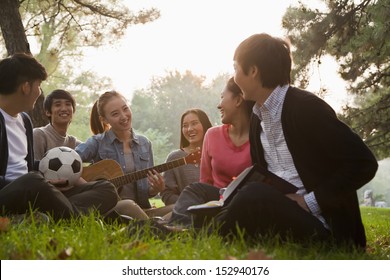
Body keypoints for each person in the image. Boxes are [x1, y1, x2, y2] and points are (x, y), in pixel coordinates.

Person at [214, 33, 378, 248]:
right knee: (205, 191)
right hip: (281, 213)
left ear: (253, 70)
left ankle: (203, 232)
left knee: (254, 194)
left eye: (236, 68)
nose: (234, 77)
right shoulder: (256, 118)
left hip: (325, 227)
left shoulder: (305, 108)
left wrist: (310, 202)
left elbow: (363, 163)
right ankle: (185, 224)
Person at [0, 53, 118, 221]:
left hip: (35, 191)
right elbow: (28, 179)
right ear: (26, 87)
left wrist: (54, 173)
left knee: (106, 189)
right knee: (33, 181)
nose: (39, 92)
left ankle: (48, 214)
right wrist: (38, 183)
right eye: (38, 85)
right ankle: (79, 220)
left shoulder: (24, 120)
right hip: (9, 195)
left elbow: (27, 165)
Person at [168, 77, 255, 226]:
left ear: (238, 100)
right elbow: (205, 182)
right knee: (194, 189)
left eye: (222, 97)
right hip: (217, 200)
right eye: (185, 125)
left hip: (246, 201)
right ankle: (178, 229)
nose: (219, 105)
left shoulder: (260, 136)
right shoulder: (212, 135)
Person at [76, 90, 172, 220]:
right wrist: (85, 185)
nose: (123, 116)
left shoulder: (144, 143)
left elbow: (145, 190)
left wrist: (155, 190)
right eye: (115, 114)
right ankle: (156, 227)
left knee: (180, 207)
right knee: (128, 205)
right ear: (104, 120)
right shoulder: (97, 142)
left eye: (125, 109)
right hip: (113, 210)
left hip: (142, 209)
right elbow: (69, 160)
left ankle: (153, 225)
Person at [160, 108, 212, 205]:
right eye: (185, 126)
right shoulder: (174, 157)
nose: (189, 129)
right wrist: (189, 203)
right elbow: (166, 194)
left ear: (205, 124)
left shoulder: (216, 153)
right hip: (185, 211)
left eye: (194, 123)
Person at [33, 89, 81, 160]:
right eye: (58, 105)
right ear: (48, 112)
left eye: (68, 104)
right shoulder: (39, 135)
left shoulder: (73, 142)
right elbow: (32, 168)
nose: (64, 109)